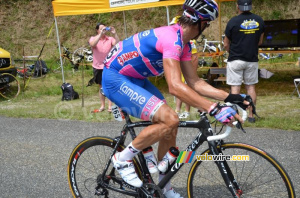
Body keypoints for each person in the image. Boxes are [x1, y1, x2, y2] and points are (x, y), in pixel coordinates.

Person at [102, 0, 249, 197]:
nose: (205, 29)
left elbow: (194, 82)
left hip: (135, 78)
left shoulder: (185, 44)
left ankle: (164, 186)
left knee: (171, 126)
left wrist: (231, 96)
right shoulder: (172, 39)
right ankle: (122, 158)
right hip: (116, 77)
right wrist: (213, 108)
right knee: (171, 118)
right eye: (207, 25)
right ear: (200, 22)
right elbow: (175, 86)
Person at [223, 0, 264, 123]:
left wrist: (233, 52)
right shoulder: (259, 20)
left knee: (235, 88)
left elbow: (226, 44)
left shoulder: (233, 21)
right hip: (251, 59)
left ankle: (235, 117)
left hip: (235, 59)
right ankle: (251, 115)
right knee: (250, 87)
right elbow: (260, 42)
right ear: (251, 6)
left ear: (237, 6)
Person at [171, 16, 199, 119]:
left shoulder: (190, 40)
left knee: (187, 88)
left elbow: (195, 57)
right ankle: (177, 110)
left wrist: (192, 72)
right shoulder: (175, 39)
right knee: (179, 87)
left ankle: (187, 111)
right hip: (179, 65)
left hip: (188, 65)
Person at [89, 22, 119, 113]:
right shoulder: (93, 38)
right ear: (97, 30)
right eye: (101, 29)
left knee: (109, 85)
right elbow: (93, 44)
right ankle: (102, 105)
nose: (104, 30)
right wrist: (100, 35)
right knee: (101, 86)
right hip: (97, 66)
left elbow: (117, 44)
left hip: (108, 65)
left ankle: (110, 106)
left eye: (105, 28)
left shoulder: (110, 39)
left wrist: (115, 34)